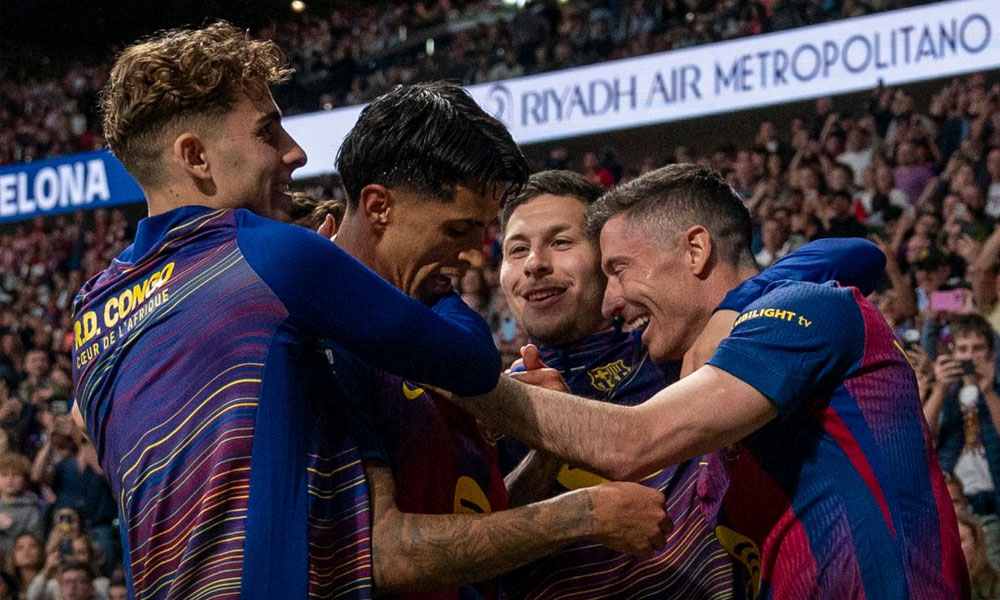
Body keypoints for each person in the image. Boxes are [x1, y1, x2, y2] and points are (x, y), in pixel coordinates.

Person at [74, 23, 526, 599]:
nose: (295, 152)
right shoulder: (268, 252)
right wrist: (434, 279)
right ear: (196, 156)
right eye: (268, 131)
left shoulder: (90, 310)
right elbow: (471, 364)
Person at [457, 164, 969, 598]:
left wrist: (450, 369)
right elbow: (465, 560)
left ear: (695, 250)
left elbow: (858, 253)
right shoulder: (508, 401)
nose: (535, 265)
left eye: (565, 243)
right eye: (515, 249)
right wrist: (542, 452)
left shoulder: (687, 354)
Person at [325, 83, 669, 599]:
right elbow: (381, 552)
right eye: (458, 230)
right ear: (378, 207)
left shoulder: (428, 334)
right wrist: (582, 514)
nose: (473, 257)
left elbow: (474, 524)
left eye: (483, 234)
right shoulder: (325, 334)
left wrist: (543, 455)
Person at [928, 313, 1000, 520]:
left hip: (994, 496)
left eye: (978, 348)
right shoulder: (945, 393)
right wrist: (940, 389)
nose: (970, 356)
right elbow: (921, 438)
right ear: (953, 353)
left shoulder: (995, 391)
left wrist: (988, 391)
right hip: (955, 499)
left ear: (991, 352)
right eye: (963, 349)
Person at [0, 453, 42, 555]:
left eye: (15, 475)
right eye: (4, 475)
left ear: (24, 480)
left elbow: (35, 543)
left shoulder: (31, 510)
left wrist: (11, 527)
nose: (10, 480)